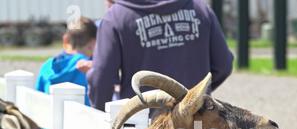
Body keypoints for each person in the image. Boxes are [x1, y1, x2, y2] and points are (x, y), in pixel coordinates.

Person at [87, 0, 233, 111]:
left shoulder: (116, 18)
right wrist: (194, 96)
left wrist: (99, 113)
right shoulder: (200, 8)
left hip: (144, 127)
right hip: (196, 121)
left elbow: (101, 77)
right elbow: (223, 65)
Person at [35, 17, 97, 106]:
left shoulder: (47, 66)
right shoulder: (89, 68)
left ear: (66, 40)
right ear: (93, 43)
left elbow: (38, 98)